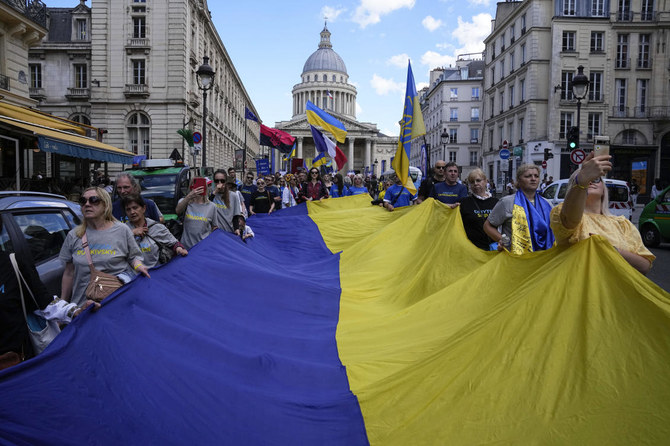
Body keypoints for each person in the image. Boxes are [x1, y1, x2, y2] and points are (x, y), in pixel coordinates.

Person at [550, 152, 654, 275]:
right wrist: (581, 181)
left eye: (596, 179)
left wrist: (611, 250)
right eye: (587, 178)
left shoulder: (622, 224)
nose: (590, 181)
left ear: (604, 189)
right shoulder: (563, 213)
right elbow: (570, 219)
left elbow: (645, 266)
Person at [60, 188, 150, 307]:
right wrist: (63, 305)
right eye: (83, 201)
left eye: (94, 200)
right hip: (83, 307)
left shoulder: (122, 230)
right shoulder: (74, 235)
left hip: (116, 303)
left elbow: (134, 257)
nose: (87, 204)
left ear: (105, 205)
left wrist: (140, 267)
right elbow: (69, 273)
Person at [484, 164, 554, 254]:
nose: (533, 179)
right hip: (515, 258)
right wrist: (502, 240)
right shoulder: (506, 202)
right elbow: (487, 226)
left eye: (536, 176)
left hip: (543, 258)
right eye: (528, 176)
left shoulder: (548, 204)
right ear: (519, 180)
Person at [123, 195, 188, 269]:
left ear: (144, 209)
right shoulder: (122, 229)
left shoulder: (156, 227)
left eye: (135, 208)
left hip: (156, 272)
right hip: (133, 275)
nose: (132, 212)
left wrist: (179, 249)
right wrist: (131, 233)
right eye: (128, 209)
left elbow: (174, 243)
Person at [460, 169, 500, 250]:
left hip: (494, 249)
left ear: (485, 181)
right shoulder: (464, 203)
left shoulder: (496, 202)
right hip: (472, 249)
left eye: (478, 180)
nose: (475, 184)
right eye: (472, 182)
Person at [175, 178, 217, 249]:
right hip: (186, 247)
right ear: (191, 187)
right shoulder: (185, 202)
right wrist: (189, 196)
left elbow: (214, 227)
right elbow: (178, 211)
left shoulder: (212, 206)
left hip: (203, 247)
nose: (198, 189)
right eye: (195, 186)